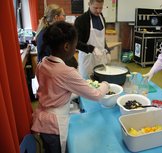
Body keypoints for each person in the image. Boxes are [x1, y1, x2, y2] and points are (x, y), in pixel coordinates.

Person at [31, 21, 109, 153]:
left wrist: (75, 91)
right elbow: (96, 95)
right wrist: (105, 85)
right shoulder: (66, 72)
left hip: (42, 119)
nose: (76, 49)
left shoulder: (42, 63)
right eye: (75, 46)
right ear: (67, 46)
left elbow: (54, 90)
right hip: (54, 125)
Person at [74, 0, 111, 79]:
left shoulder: (102, 18)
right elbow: (76, 43)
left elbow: (102, 39)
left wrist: (107, 50)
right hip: (87, 61)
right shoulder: (81, 20)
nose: (98, 11)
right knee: (87, 84)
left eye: (100, 8)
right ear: (89, 4)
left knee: (101, 82)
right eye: (95, 8)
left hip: (100, 59)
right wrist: (92, 49)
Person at [35, 4, 78, 68]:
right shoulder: (49, 34)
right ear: (56, 17)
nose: (65, 18)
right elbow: (57, 56)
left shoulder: (45, 31)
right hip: (50, 70)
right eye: (63, 15)